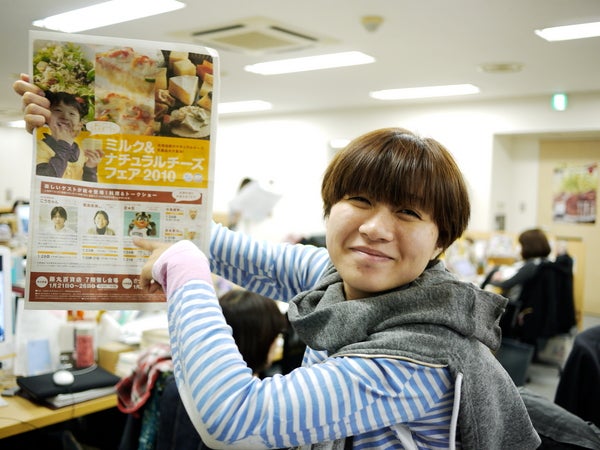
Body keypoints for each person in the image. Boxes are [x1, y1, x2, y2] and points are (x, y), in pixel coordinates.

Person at [16, 81, 541, 448]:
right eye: (359, 201)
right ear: (330, 208)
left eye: (408, 213)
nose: (376, 228)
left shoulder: (415, 358)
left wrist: (185, 271)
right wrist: (67, 139)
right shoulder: (339, 279)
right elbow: (205, 238)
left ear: (440, 241)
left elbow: (234, 419)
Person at [14, 74, 102, 182]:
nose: (65, 117)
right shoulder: (41, 146)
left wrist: (90, 168)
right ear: (47, 117)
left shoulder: (81, 151)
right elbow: (47, 180)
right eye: (58, 110)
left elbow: (86, 186)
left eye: (72, 114)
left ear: (80, 124)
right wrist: (64, 144)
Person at [484, 228, 552, 338]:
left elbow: (506, 284)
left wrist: (494, 280)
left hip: (517, 314)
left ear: (528, 246)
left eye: (521, 244)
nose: (519, 248)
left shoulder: (531, 266)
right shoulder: (544, 263)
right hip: (534, 313)